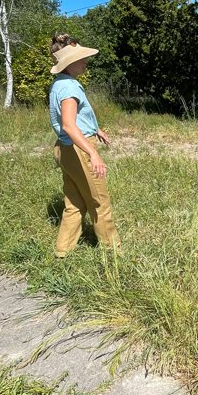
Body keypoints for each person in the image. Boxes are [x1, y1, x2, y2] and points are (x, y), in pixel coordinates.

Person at [48, 34, 121, 258]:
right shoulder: (70, 87)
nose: (86, 61)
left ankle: (63, 251)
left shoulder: (59, 83)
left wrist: (95, 129)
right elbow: (70, 125)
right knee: (98, 202)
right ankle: (113, 254)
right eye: (81, 58)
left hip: (65, 148)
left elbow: (71, 120)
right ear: (69, 62)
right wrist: (93, 154)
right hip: (78, 149)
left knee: (75, 203)